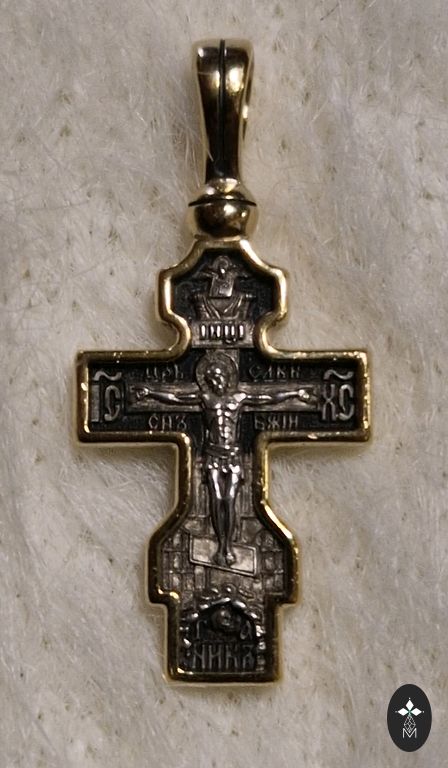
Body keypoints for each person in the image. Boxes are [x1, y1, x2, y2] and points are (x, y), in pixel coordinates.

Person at [131, 352, 317, 567]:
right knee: (216, 499)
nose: (215, 383)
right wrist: (150, 392)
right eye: (211, 380)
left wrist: (295, 392)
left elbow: (267, 397)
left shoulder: (239, 398)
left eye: (218, 378)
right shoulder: (205, 399)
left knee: (229, 499)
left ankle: (228, 545)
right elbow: (176, 398)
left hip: (232, 456)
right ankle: (222, 546)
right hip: (213, 455)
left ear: (227, 378)